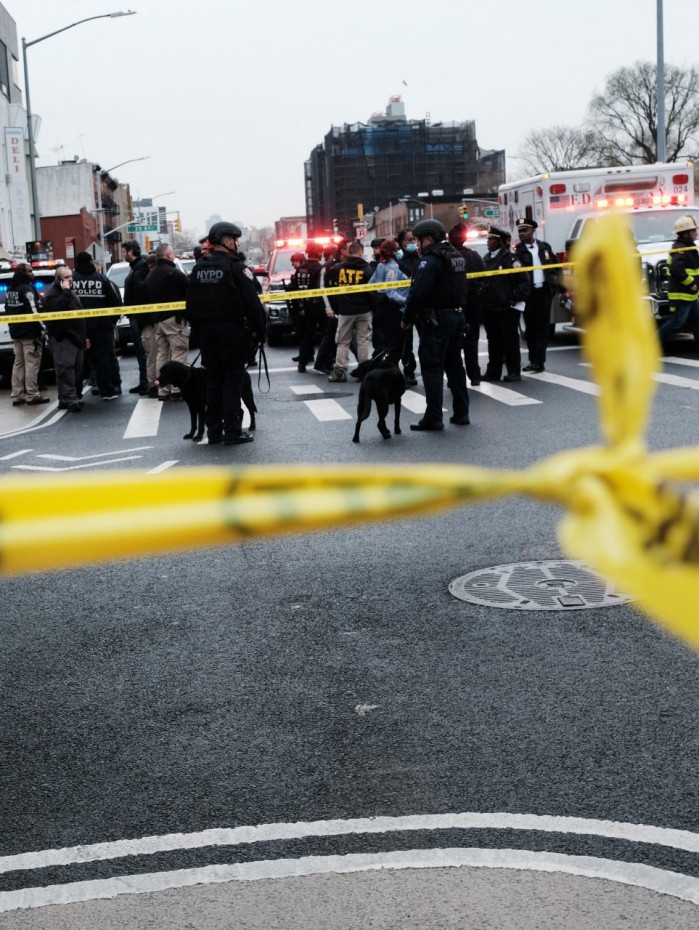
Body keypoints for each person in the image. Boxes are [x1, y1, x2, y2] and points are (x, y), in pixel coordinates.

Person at [186, 220, 266, 445]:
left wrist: (198, 333)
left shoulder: (199, 268)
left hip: (207, 333)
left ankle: (213, 431)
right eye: (235, 239)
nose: (237, 243)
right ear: (227, 240)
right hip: (232, 332)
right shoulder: (237, 268)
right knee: (232, 379)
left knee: (213, 381)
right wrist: (261, 333)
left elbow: (190, 306)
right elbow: (253, 305)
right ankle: (232, 430)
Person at [401, 218, 470, 430]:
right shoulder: (455, 255)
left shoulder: (429, 261)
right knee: (455, 366)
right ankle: (461, 413)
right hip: (457, 317)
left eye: (418, 240)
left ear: (428, 238)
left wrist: (406, 318)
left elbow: (417, 293)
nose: (417, 245)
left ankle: (433, 417)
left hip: (436, 321)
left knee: (432, 368)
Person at [481, 227, 530, 383]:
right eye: (488, 239)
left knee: (510, 340)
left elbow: (523, 281)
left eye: (491, 239)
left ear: (500, 241)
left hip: (507, 307)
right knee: (493, 340)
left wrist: (513, 299)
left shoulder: (511, 259)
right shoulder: (486, 258)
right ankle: (493, 371)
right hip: (490, 307)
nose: (488, 242)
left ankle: (514, 371)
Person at [72, 251, 122, 401]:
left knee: (77, 362)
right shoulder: (102, 279)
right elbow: (116, 304)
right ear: (91, 262)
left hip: (78, 328)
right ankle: (107, 391)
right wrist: (110, 322)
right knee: (102, 360)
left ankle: (76, 394)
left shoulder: (71, 281)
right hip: (101, 328)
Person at [514, 218, 560, 372]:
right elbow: (515, 275)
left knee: (543, 329)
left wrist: (561, 289)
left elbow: (555, 268)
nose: (521, 233)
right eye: (520, 231)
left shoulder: (544, 247)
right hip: (529, 295)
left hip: (544, 292)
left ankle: (539, 361)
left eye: (525, 230)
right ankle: (534, 359)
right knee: (531, 330)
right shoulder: (518, 252)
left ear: (533, 231)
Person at [145, 243, 190, 401]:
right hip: (174, 319)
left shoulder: (150, 276)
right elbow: (189, 291)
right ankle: (177, 387)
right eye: (172, 253)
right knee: (179, 350)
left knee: (161, 354)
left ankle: (162, 390)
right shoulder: (174, 273)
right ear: (168, 255)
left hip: (157, 320)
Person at [329, 241, 375, 382]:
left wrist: (336, 307)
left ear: (349, 252)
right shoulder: (367, 269)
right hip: (364, 310)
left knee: (343, 342)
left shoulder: (338, 268)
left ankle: (340, 371)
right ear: (361, 253)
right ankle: (363, 370)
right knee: (363, 341)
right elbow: (372, 292)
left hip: (345, 311)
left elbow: (330, 289)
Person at [43, 266, 87, 412]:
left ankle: (68, 397)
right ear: (59, 280)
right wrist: (66, 291)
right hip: (63, 337)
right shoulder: (53, 295)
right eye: (67, 277)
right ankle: (70, 399)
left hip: (76, 337)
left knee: (76, 370)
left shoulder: (70, 293)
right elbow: (57, 309)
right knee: (65, 370)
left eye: (71, 277)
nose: (71, 280)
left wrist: (84, 336)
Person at [448, 222, 486, 386]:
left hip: (454, 305)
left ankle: (454, 377)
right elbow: (484, 278)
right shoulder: (474, 256)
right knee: (472, 340)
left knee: (453, 342)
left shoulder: (447, 257)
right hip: (473, 303)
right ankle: (474, 375)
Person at [6, 262, 49, 406]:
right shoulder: (27, 290)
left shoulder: (11, 289)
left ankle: (17, 395)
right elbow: (34, 311)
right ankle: (32, 394)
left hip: (16, 333)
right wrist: (43, 328)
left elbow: (8, 309)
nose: (33, 273)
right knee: (32, 364)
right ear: (23, 273)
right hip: (30, 334)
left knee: (18, 364)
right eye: (30, 271)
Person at [658, 214, 699, 346]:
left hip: (691, 294)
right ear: (686, 233)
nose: (696, 233)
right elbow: (676, 269)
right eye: (693, 231)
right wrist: (691, 283)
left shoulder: (688, 246)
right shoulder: (681, 248)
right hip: (683, 294)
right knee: (678, 321)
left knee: (697, 319)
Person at [368, 238, 408, 362]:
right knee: (393, 342)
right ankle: (390, 367)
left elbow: (370, 285)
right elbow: (390, 292)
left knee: (384, 339)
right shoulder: (392, 267)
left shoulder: (380, 265)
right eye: (397, 249)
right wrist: (406, 301)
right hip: (391, 308)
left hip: (380, 305)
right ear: (393, 251)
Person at [122, 240, 153, 395]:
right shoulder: (135, 268)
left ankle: (147, 382)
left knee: (144, 351)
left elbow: (143, 292)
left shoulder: (141, 268)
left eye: (124, 252)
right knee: (140, 352)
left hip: (140, 317)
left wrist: (140, 315)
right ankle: (143, 381)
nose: (122, 255)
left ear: (130, 252)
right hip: (135, 315)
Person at [290, 242, 326, 372]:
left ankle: (302, 363)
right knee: (325, 334)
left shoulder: (300, 269)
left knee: (307, 335)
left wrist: (300, 307)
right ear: (318, 253)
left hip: (305, 306)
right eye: (321, 252)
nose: (322, 254)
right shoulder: (320, 268)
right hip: (319, 305)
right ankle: (324, 362)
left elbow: (294, 288)